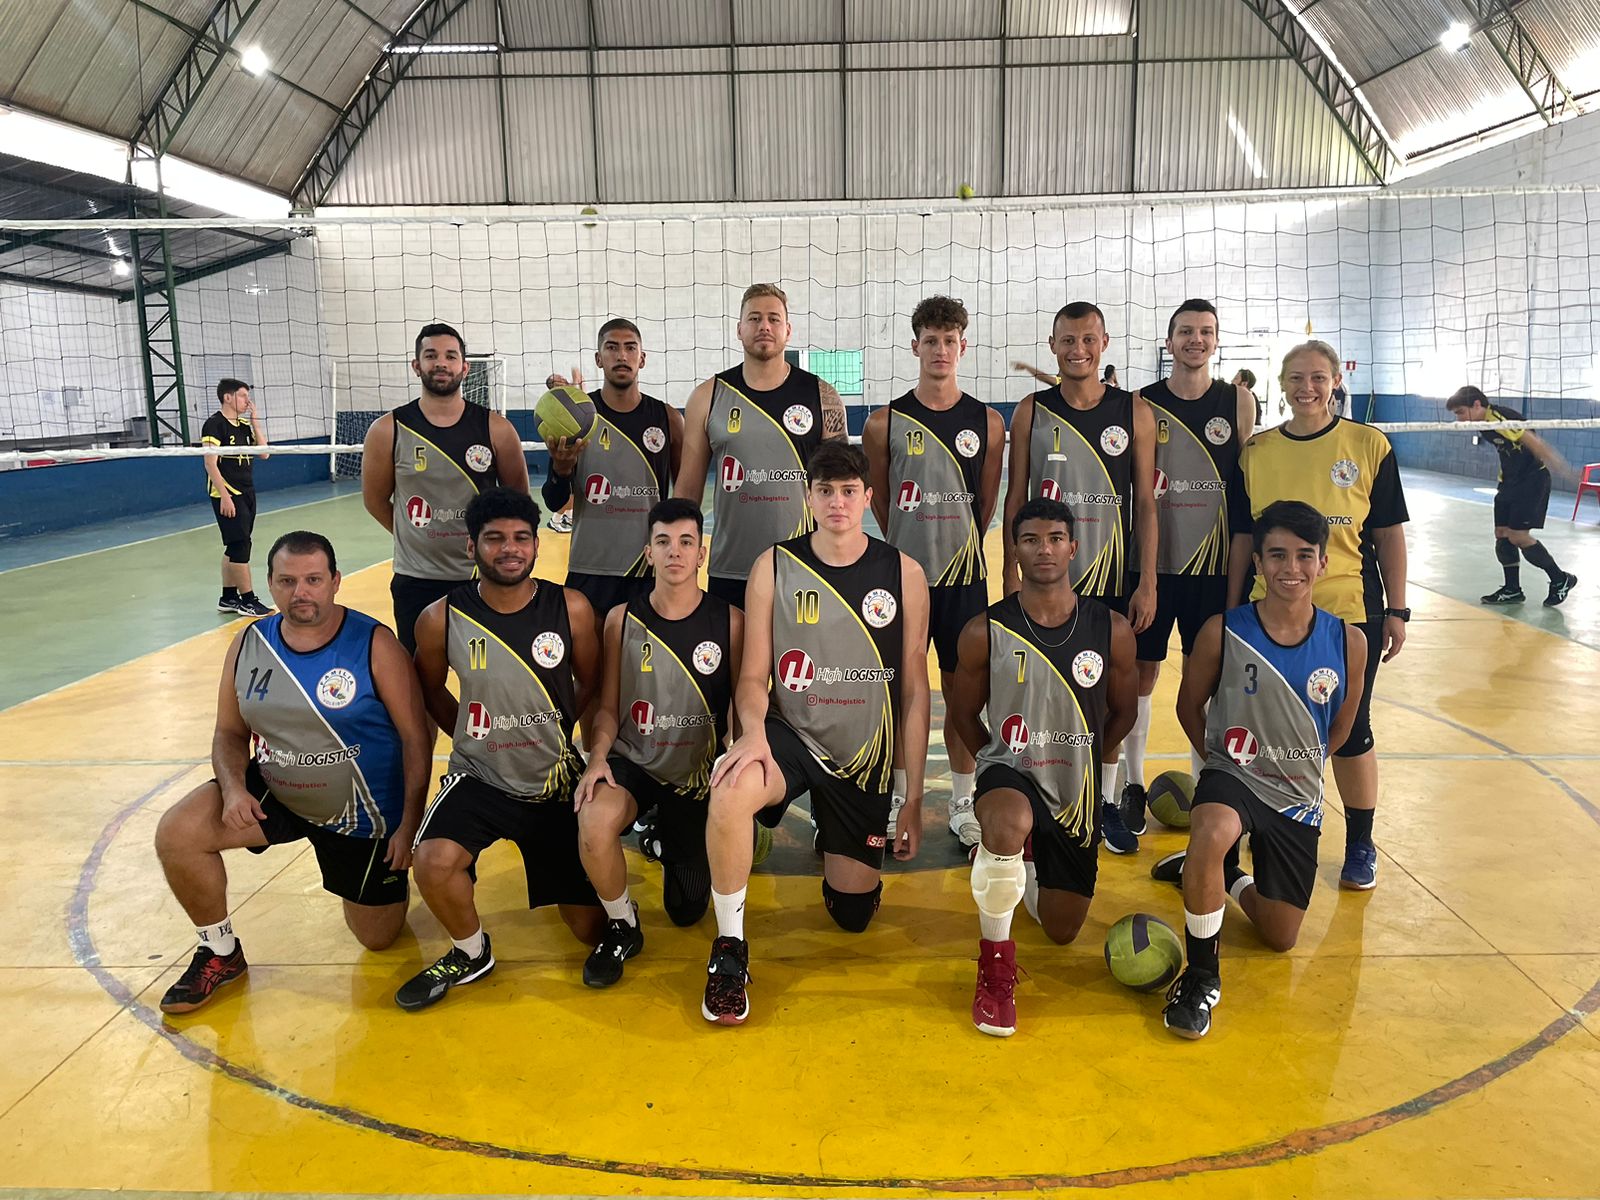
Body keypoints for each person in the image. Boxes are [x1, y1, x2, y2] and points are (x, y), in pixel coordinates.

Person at [698, 441, 930, 1025]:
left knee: (853, 915)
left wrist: (913, 797)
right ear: (808, 497)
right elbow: (753, 676)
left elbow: (913, 691)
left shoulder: (903, 573)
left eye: (848, 491)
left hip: (864, 756)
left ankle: (837, 832)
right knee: (729, 789)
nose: (837, 503)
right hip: (792, 736)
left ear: (868, 498)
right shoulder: (774, 566)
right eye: (825, 491)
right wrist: (752, 734)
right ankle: (729, 950)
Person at [153, 531, 430, 1013]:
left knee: (377, 939)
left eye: (313, 580)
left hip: (363, 813)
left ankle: (366, 884)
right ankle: (220, 951)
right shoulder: (250, 643)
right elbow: (228, 733)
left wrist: (409, 825)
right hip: (277, 791)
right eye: (287, 581)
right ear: (270, 584)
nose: (301, 592)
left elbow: (416, 738)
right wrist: (234, 789)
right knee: (178, 832)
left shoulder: (374, 644)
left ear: (335, 581)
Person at [1155, 500, 1367, 1039]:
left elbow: (1341, 726)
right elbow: (1188, 705)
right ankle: (1201, 976)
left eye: (1303, 555)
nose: (1290, 568)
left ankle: (1220, 874)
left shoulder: (1348, 642)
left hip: (1297, 792)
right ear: (1258, 563)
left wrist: (1301, 764)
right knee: (1212, 828)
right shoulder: (1223, 630)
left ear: (1323, 563)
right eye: (1276, 555)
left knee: (1280, 935)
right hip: (1235, 776)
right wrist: (1220, 763)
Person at [395, 488, 604, 1011]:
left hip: (552, 777)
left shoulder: (571, 607)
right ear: (472, 546)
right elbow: (429, 688)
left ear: (536, 545)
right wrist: (466, 732)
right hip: (479, 775)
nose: (509, 549)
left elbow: (592, 680)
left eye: (520, 538)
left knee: (589, 930)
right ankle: (471, 951)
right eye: (494, 538)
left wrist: (561, 727)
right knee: (433, 862)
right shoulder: (440, 617)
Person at [947, 498, 1137, 1036]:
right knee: (1008, 819)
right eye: (1030, 540)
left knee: (1061, 929)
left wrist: (1089, 761)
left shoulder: (1111, 629)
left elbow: (1123, 712)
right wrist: (997, 760)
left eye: (1055, 538)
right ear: (1014, 550)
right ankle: (994, 969)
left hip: (1075, 789)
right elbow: (962, 713)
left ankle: (1022, 861)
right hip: (1012, 775)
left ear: (1073, 548)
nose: (1044, 549)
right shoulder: (985, 630)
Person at [1226, 341, 1407, 891]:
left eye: (1318, 377)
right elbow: (1242, 538)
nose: (1307, 388)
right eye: (1296, 378)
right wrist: (1232, 609)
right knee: (1264, 729)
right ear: (1281, 384)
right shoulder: (1257, 452)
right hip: (1267, 618)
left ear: (1335, 382)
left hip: (1347, 612)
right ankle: (1263, 825)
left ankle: (1360, 843)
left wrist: (1397, 610)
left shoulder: (1368, 445)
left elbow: (1388, 534)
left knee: (1351, 731)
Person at [1003, 301, 1156, 854]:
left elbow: (1147, 503)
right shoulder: (1031, 411)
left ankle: (1105, 799)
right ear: (1053, 346)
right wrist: (1009, 572)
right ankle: (1037, 791)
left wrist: (1147, 580)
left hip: (1112, 577)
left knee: (1110, 692)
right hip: (1045, 580)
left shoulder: (1133, 411)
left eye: (1088, 339)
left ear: (1104, 343)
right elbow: (1015, 498)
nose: (1078, 350)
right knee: (1037, 689)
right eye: (1068, 340)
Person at [571, 497, 743, 987]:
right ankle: (623, 925)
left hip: (694, 774)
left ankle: (664, 836)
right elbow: (608, 706)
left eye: (686, 542)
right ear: (648, 552)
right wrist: (596, 758)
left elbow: (738, 704)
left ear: (702, 553)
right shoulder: (621, 619)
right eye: (663, 542)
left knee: (687, 911)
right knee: (593, 820)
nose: (675, 552)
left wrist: (737, 758)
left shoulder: (730, 621)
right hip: (636, 763)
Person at [861, 295, 1005, 849]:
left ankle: (963, 801)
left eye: (949, 341)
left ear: (962, 347)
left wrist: (955, 544)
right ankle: (901, 796)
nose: (940, 350)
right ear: (914, 346)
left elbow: (985, 505)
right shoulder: (885, 422)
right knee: (901, 692)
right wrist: (908, 549)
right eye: (930, 341)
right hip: (902, 582)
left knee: (964, 694)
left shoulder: (988, 422)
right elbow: (880, 501)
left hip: (965, 579)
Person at [1121, 300, 1256, 835]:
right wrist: (1145, 577)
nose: (1195, 339)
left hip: (1216, 568)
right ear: (1170, 341)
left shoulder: (1237, 400)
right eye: (1185, 331)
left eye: (1205, 331)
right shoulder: (1142, 402)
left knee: (1212, 680)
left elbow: (1245, 485)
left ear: (1216, 341)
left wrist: (1240, 583)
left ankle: (1209, 789)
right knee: (1141, 673)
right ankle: (1132, 784)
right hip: (1153, 567)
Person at [673, 283, 848, 611]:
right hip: (730, 568)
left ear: (787, 330)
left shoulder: (822, 395)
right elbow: (687, 490)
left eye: (773, 319)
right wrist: (680, 558)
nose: (764, 326)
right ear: (739, 329)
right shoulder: (708, 396)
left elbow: (841, 487)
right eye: (754, 319)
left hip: (805, 565)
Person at [360, 322, 529, 654]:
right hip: (416, 579)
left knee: (487, 672)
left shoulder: (496, 428)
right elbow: (375, 500)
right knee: (419, 676)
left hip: (482, 576)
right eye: (431, 355)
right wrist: (414, 536)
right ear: (416, 365)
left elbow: (518, 502)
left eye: (451, 356)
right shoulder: (387, 429)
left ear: (465, 368)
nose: (441, 363)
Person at [541, 319, 684, 620]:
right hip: (590, 567)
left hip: (647, 567)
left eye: (630, 348)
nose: (621, 355)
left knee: (642, 651)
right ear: (598, 358)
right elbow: (555, 502)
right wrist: (561, 470)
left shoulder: (668, 418)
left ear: (642, 359)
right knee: (590, 651)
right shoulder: (578, 419)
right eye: (612, 348)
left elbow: (683, 501)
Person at [1445, 386, 1577, 607]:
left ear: (1476, 405)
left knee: (1518, 536)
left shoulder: (1500, 419)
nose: (1458, 419)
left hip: (1531, 481)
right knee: (1502, 534)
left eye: (1460, 412)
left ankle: (1560, 579)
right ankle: (1512, 590)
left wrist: (1565, 470)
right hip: (1509, 483)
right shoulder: (1482, 423)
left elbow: (1534, 443)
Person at [202, 378, 272, 617]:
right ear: (228, 397)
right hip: (227, 493)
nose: (247, 401)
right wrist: (225, 496)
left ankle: (228, 597)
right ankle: (248, 600)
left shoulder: (243, 426)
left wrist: (255, 423)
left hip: (247, 491)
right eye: (243, 396)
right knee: (241, 546)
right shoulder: (214, 425)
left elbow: (264, 454)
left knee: (235, 545)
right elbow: (210, 464)